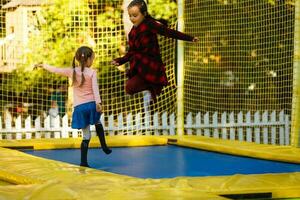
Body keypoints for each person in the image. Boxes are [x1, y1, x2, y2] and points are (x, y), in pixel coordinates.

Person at [112, 0, 198, 113]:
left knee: (137, 62)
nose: (132, 18)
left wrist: (190, 38)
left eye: (135, 15)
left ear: (144, 14)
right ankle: (149, 89)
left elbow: (169, 32)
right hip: (140, 68)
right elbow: (131, 52)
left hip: (152, 66)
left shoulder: (150, 24)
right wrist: (120, 60)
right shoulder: (132, 33)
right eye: (130, 16)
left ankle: (153, 86)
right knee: (129, 88)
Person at [35, 46, 112, 168]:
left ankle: (83, 162)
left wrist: (43, 65)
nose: (93, 61)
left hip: (80, 108)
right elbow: (95, 89)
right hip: (91, 105)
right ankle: (104, 146)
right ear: (88, 60)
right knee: (97, 122)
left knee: (86, 136)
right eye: (92, 59)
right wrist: (98, 103)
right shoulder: (92, 72)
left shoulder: (72, 71)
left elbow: (56, 70)